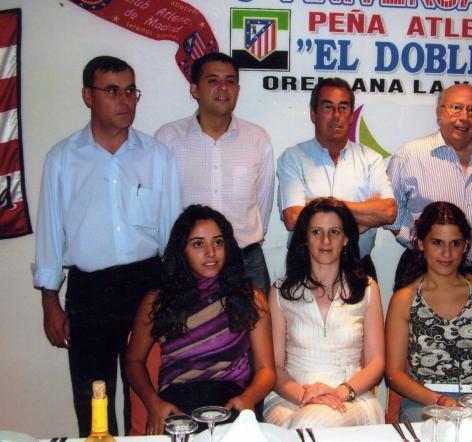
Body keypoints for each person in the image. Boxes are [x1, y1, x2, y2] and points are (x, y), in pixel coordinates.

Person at [32, 56, 182, 436]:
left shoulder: (157, 156)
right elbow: (50, 234)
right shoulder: (63, 159)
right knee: (92, 396)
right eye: (112, 91)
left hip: (147, 287)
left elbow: (173, 235)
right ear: (88, 96)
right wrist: (50, 301)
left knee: (146, 396)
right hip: (90, 290)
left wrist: (175, 297)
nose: (125, 100)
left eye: (130, 91)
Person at [125, 205, 275, 434]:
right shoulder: (159, 300)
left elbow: (266, 370)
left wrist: (249, 398)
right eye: (198, 244)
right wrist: (154, 403)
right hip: (178, 406)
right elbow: (133, 361)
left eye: (218, 242)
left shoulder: (249, 297)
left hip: (231, 403)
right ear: (181, 250)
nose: (211, 252)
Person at [156, 53, 274, 292]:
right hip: (187, 264)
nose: (223, 87)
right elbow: (159, 206)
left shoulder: (257, 138)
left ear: (238, 89)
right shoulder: (168, 139)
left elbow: (264, 201)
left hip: (245, 260)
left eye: (230, 81)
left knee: (257, 317)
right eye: (213, 80)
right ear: (194, 89)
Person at [264, 197, 385, 428]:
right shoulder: (281, 291)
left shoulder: (367, 289)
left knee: (306, 425)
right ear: (305, 238)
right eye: (316, 232)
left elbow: (376, 363)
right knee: (302, 424)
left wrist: (339, 392)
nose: (325, 240)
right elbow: (275, 367)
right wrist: (306, 397)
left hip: (351, 398)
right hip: (289, 397)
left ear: (346, 238)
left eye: (334, 232)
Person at [385, 202, 472, 421]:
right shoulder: (404, 300)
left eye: (456, 243)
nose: (447, 253)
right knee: (436, 432)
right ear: (421, 243)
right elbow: (394, 374)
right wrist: (440, 400)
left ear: (466, 246)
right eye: (437, 242)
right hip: (426, 400)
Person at [387, 84, 472, 289]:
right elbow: (391, 211)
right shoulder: (410, 154)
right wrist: (416, 242)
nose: (464, 117)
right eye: (456, 108)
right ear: (439, 112)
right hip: (423, 270)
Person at [277, 78, 395, 279]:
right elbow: (294, 218)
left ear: (351, 115)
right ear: (313, 113)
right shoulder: (293, 158)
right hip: (307, 269)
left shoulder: (370, 159)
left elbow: (388, 212)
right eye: (327, 107)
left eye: (343, 107)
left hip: (357, 267)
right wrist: (364, 216)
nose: (336, 115)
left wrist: (316, 206)